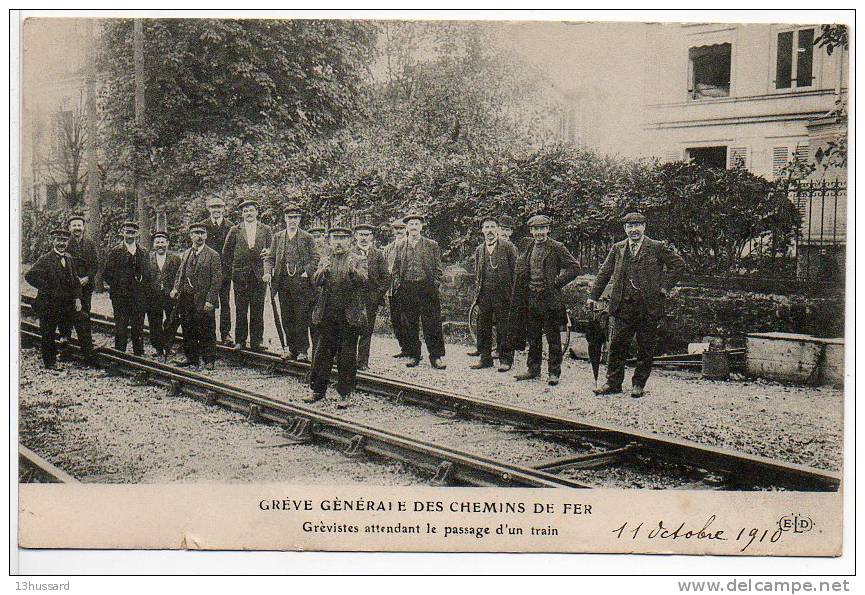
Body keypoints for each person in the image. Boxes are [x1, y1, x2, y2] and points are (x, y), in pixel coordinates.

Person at [588, 212, 685, 398]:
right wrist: (593, 296)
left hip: (648, 307)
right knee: (617, 345)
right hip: (623, 306)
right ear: (625, 229)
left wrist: (664, 287)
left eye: (637, 225)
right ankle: (613, 383)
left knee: (645, 347)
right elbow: (604, 273)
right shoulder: (618, 248)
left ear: (644, 227)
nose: (633, 229)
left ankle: (639, 384)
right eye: (629, 226)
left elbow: (678, 265)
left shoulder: (656, 247)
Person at [508, 214, 579, 386]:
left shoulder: (556, 247)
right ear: (531, 230)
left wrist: (557, 282)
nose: (539, 232)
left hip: (549, 300)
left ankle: (554, 372)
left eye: (542, 228)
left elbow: (574, 267)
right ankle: (533, 369)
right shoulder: (527, 246)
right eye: (536, 229)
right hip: (531, 298)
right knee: (533, 336)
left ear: (548, 229)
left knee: (553, 338)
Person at [306, 225, 369, 405]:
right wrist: (322, 271)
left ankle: (345, 394)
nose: (339, 242)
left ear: (349, 241)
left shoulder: (358, 259)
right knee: (322, 354)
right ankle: (317, 391)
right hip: (327, 314)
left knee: (347, 356)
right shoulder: (325, 259)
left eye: (342, 238)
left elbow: (364, 281)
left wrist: (352, 271)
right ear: (330, 241)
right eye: (335, 238)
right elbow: (315, 282)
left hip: (349, 316)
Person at [25, 228, 95, 368]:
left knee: (83, 319)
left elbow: (75, 281)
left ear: (67, 242)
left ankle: (89, 357)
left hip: (66, 303)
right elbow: (29, 276)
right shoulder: (45, 259)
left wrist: (77, 298)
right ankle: (50, 363)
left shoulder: (69, 258)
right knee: (48, 332)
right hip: (49, 304)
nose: (61, 243)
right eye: (58, 240)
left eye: (64, 241)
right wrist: (46, 288)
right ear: (53, 241)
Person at [390, 213, 446, 370]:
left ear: (421, 227)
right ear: (406, 228)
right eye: (411, 224)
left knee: (432, 323)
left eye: (416, 224)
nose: (413, 227)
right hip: (407, 288)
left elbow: (438, 268)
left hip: (426, 287)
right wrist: (399, 283)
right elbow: (395, 268)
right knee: (410, 324)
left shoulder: (431, 245)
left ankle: (436, 356)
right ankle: (414, 355)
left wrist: (434, 284)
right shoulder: (400, 245)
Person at [263, 202, 318, 362]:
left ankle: (302, 350)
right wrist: (267, 272)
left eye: (295, 217)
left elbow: (315, 257)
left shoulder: (307, 237)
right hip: (283, 283)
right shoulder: (278, 237)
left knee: (301, 318)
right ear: (285, 218)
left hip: (302, 285)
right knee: (287, 317)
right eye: (289, 217)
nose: (292, 220)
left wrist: (307, 272)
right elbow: (270, 258)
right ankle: (291, 349)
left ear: (299, 219)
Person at [170, 222, 223, 370]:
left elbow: (217, 279)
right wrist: (175, 289)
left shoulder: (213, 255)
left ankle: (209, 360)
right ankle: (191, 358)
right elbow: (180, 273)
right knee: (188, 327)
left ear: (206, 235)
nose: (199, 236)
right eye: (196, 233)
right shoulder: (186, 253)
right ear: (191, 236)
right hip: (187, 297)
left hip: (204, 298)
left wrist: (210, 300)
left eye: (202, 233)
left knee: (207, 329)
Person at [469, 216, 518, 372]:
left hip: (503, 294)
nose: (489, 230)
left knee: (504, 327)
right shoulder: (479, 250)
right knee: (483, 327)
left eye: (492, 227)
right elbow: (478, 273)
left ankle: (506, 359)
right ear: (482, 230)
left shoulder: (508, 247)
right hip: (484, 295)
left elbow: (516, 272)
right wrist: (478, 294)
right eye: (486, 227)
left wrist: (513, 294)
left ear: (497, 229)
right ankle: (485, 359)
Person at [222, 200, 273, 351]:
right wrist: (234, 270)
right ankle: (240, 341)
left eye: (251, 210)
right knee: (241, 309)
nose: (249, 213)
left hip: (259, 275)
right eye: (245, 211)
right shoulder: (235, 230)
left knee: (258, 309)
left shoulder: (266, 229)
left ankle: (257, 341)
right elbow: (226, 253)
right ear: (242, 214)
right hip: (240, 276)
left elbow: (272, 250)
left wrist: (268, 254)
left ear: (257, 212)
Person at [103, 220, 151, 356]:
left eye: (133, 232)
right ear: (122, 233)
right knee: (121, 326)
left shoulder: (143, 252)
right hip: (120, 297)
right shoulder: (115, 252)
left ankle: (139, 354)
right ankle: (120, 354)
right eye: (128, 232)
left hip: (138, 296)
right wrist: (118, 286)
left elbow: (148, 273)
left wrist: (142, 283)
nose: (130, 235)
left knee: (138, 327)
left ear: (137, 234)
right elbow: (107, 273)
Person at [353, 221, 390, 371]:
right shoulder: (350, 253)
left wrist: (377, 295)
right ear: (355, 236)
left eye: (367, 235)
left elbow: (386, 278)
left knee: (366, 331)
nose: (364, 238)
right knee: (350, 329)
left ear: (372, 237)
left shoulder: (378, 255)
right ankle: (346, 359)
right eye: (361, 234)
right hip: (353, 299)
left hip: (370, 300)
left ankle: (363, 361)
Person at [199, 196, 235, 346]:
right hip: (207, 272)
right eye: (213, 207)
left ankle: (225, 333)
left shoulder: (231, 227)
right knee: (208, 301)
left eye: (219, 207)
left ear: (223, 209)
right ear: (209, 209)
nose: (216, 210)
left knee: (225, 302)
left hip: (225, 272)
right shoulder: (202, 226)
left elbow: (234, 250)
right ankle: (208, 334)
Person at [58, 214, 98, 345]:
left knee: (85, 313)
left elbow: (95, 264)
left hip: (86, 286)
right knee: (66, 315)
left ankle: (86, 345)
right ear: (69, 227)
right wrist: (75, 280)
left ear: (84, 227)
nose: (77, 228)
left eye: (79, 225)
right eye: (74, 225)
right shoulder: (64, 243)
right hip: (69, 286)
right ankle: (65, 345)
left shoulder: (90, 244)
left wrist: (87, 277)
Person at [146, 231, 181, 357]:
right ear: (153, 244)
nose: (160, 245)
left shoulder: (175, 259)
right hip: (153, 296)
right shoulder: (147, 258)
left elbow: (179, 276)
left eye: (163, 242)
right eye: (157, 242)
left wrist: (175, 289)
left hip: (170, 295)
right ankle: (158, 348)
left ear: (167, 244)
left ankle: (168, 345)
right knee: (154, 322)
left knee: (172, 321)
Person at [382, 219, 409, 358]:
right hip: (392, 289)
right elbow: (384, 270)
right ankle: (404, 348)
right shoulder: (388, 249)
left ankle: (412, 349)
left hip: (407, 289)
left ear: (407, 230)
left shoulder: (410, 246)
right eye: (396, 229)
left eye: (402, 228)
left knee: (408, 320)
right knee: (396, 320)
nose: (399, 231)